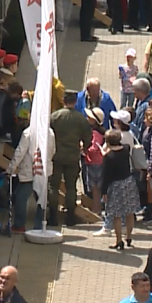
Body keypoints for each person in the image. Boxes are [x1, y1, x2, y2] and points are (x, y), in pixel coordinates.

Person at [49, 90, 92, 226]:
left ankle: (52, 217)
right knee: (71, 187)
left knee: (53, 186)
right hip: (73, 156)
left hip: (56, 156)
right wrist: (84, 147)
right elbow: (88, 138)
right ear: (76, 101)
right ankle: (70, 218)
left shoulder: (55, 116)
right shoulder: (80, 118)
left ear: (63, 100)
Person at [6, 122, 56, 233]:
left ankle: (19, 225)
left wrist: (11, 168)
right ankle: (39, 227)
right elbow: (53, 151)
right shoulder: (50, 132)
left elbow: (20, 152)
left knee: (20, 197)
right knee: (41, 199)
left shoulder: (28, 133)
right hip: (44, 171)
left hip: (29, 171)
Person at [102, 129, 142, 250]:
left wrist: (104, 191)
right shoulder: (125, 149)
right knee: (130, 212)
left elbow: (106, 176)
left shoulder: (109, 157)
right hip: (129, 182)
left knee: (117, 215)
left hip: (116, 186)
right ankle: (129, 237)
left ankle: (119, 240)